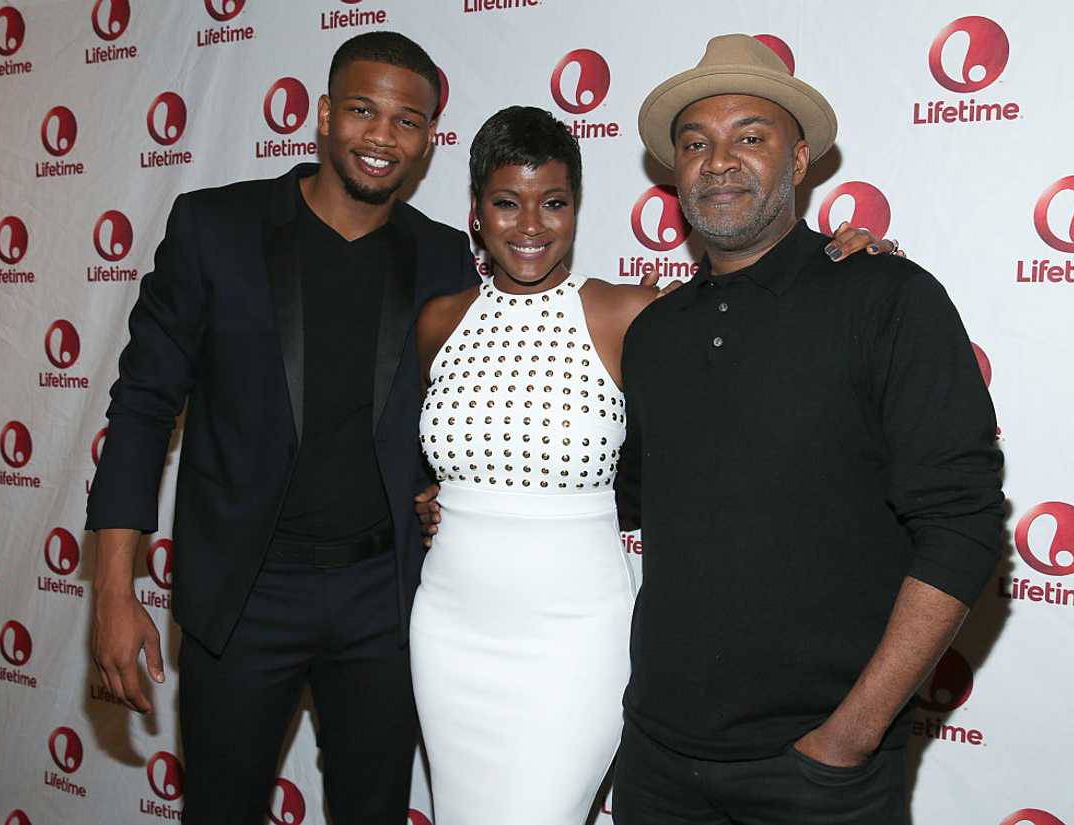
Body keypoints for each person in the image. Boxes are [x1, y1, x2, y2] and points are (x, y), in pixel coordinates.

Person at [408, 107, 897, 824]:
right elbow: (466, 448)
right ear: (476, 213)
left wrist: (838, 262)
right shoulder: (438, 321)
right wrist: (442, 497)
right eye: (506, 203)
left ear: (577, 207)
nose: (531, 226)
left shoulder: (631, 313)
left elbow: (757, 324)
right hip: (449, 626)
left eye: (555, 203)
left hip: (572, 636)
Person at [609, 35, 1005, 825]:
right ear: (674, 171)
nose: (718, 161)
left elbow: (963, 524)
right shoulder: (653, 334)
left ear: (797, 162)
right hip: (655, 760)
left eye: (749, 137)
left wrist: (851, 737)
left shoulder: (886, 297)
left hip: (818, 771)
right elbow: (623, 496)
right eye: (696, 143)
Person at [86, 32, 480, 824]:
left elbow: (463, 413)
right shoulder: (214, 229)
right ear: (325, 114)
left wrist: (450, 487)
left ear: (429, 139)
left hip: (383, 599)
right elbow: (140, 408)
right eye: (364, 111)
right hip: (243, 592)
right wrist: (111, 589)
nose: (382, 136)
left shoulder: (443, 258)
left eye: (408, 121)